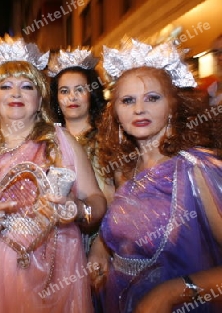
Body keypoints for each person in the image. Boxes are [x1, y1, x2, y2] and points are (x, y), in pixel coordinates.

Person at [0, 35, 106, 313]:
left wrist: (78, 210)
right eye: (5, 86)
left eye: (26, 86)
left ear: (40, 100)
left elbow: (96, 200)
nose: (16, 93)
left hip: (53, 276)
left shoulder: (61, 141)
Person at [89, 39, 222, 313]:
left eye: (152, 97)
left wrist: (173, 292)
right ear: (116, 113)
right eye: (127, 100)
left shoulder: (197, 168)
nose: (139, 109)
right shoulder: (124, 168)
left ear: (173, 106)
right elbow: (123, 227)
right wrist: (101, 250)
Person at [48, 48, 113, 254]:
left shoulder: (108, 140)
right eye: (64, 91)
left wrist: (101, 246)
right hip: (55, 246)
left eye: (80, 90)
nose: (72, 97)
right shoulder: (47, 142)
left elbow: (114, 200)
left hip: (99, 243)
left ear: (92, 94)